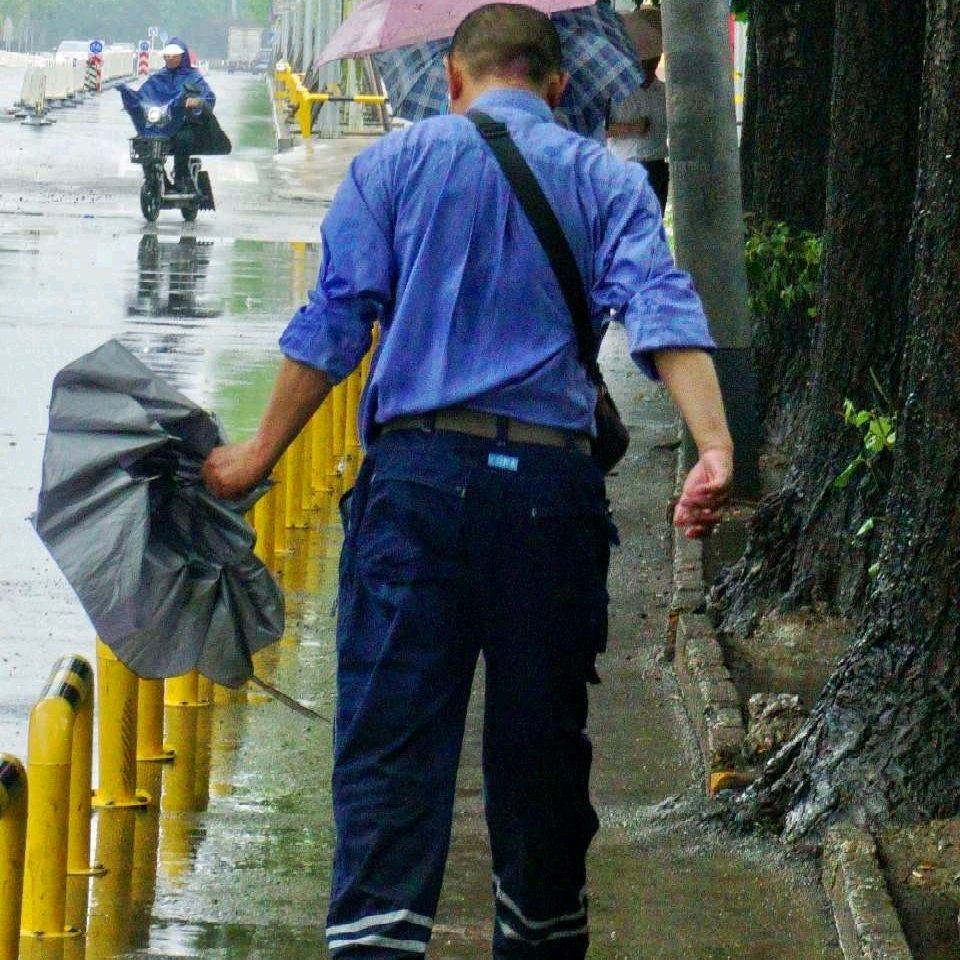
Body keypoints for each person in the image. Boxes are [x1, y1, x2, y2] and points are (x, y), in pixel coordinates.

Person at [202, 5, 732, 957]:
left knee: (390, 750)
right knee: (541, 752)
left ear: (452, 77)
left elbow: (336, 321)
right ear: (557, 85)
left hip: (416, 488)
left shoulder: (393, 166)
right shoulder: (605, 178)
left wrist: (255, 456)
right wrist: (714, 446)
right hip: (548, 495)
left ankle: (376, 941)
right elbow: (660, 305)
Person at [607, 3, 669, 213]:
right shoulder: (616, 91)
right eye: (645, 59)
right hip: (624, 166)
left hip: (656, 166)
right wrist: (630, 128)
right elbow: (601, 128)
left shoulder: (664, 93)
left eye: (654, 59)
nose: (650, 63)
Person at [138, 38, 216, 191]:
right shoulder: (158, 77)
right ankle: (154, 178)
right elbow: (144, 94)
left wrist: (197, 102)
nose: (170, 59)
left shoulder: (194, 77)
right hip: (160, 125)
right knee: (143, 143)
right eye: (167, 56)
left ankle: (181, 177)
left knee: (183, 138)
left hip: (184, 124)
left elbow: (208, 98)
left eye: (174, 56)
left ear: (182, 56)